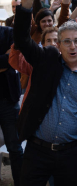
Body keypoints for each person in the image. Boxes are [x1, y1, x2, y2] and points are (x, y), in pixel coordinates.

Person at [14, 0, 77, 186]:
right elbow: (23, 42)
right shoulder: (48, 59)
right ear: (59, 45)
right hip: (37, 151)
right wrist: (26, 6)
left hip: (71, 154)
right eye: (67, 42)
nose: (72, 46)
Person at [0, 26, 24, 186]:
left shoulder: (8, 32)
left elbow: (12, 59)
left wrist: (6, 60)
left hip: (8, 99)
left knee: (15, 148)